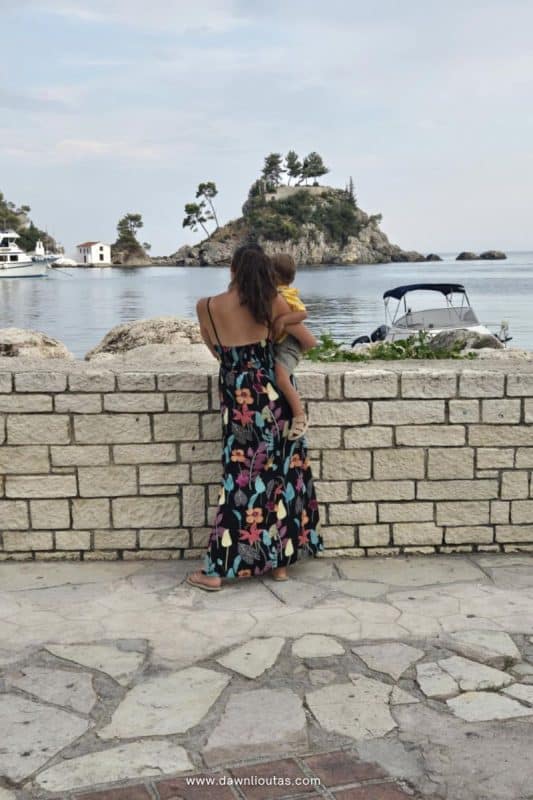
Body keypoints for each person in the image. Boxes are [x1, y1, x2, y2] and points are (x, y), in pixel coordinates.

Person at [187, 244, 324, 591]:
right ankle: (280, 565)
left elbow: (216, 351)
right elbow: (305, 339)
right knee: (284, 476)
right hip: (274, 400)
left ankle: (216, 571)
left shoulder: (206, 307)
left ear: (232, 269)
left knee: (239, 482)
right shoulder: (269, 302)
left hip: (239, 401)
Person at [270, 253, 318, 440]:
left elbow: (303, 314)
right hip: (283, 343)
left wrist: (283, 320)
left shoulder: (283, 295)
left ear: (273, 274)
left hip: (288, 344)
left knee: (281, 378)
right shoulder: (278, 293)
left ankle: (300, 416)